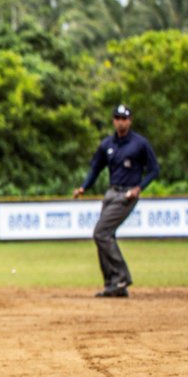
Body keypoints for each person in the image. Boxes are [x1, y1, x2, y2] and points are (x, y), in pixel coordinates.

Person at [73, 104, 160, 298]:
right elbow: (96, 168)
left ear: (130, 121)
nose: (121, 122)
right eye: (118, 118)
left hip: (128, 194)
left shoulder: (140, 144)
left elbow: (154, 170)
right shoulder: (107, 145)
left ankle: (121, 276)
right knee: (105, 235)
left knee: (100, 233)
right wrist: (84, 187)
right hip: (111, 193)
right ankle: (113, 284)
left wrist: (139, 188)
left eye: (124, 118)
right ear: (113, 120)